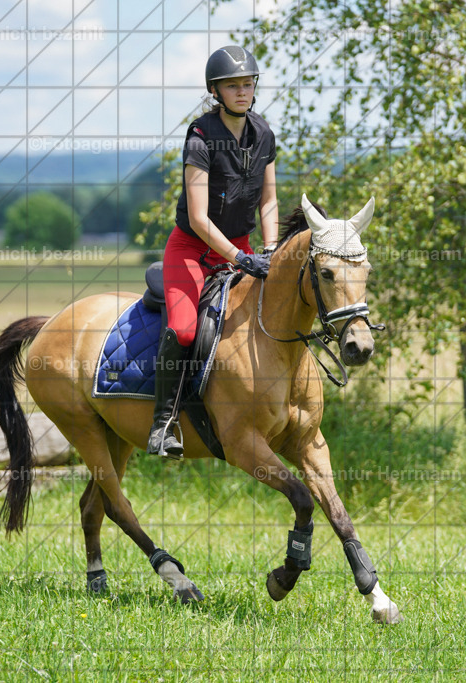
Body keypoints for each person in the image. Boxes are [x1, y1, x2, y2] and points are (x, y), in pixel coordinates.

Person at [148, 45, 278, 459]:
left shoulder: (264, 135)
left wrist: (270, 250)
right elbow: (200, 219)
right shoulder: (200, 137)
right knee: (185, 329)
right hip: (192, 249)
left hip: (241, 247)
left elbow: (269, 202)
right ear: (215, 91)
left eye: (247, 84)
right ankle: (163, 423)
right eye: (232, 86)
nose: (242, 91)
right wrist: (240, 260)